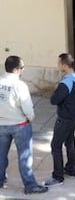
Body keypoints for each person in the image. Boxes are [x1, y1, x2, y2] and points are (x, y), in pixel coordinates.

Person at [0, 56, 48, 194]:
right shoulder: (20, 85)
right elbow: (27, 107)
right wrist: (30, 118)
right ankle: (30, 185)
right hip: (20, 124)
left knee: (1, 154)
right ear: (16, 70)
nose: (23, 70)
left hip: (1, 124)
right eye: (22, 68)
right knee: (24, 157)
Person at [45, 53, 75, 187]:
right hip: (74, 116)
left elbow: (54, 100)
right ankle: (71, 169)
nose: (58, 65)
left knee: (55, 145)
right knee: (70, 142)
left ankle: (58, 176)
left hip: (64, 117)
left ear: (64, 65)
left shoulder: (66, 82)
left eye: (59, 63)